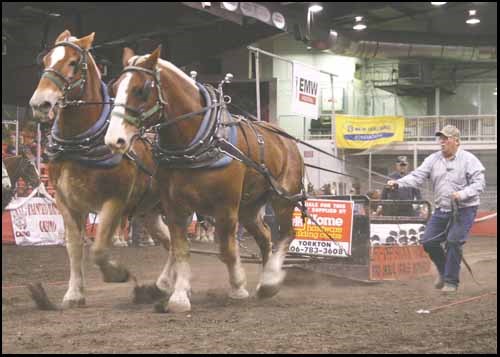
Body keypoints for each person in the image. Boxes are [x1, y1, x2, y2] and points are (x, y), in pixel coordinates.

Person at [387, 125, 485, 293]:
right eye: (440, 138)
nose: (442, 142)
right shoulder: (433, 159)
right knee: (428, 241)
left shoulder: (469, 159)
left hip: (464, 209)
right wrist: (398, 183)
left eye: (445, 138)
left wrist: (462, 194)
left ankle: (451, 282)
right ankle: (444, 270)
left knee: (454, 241)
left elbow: (479, 184)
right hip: (442, 209)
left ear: (456, 141)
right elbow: (417, 176)